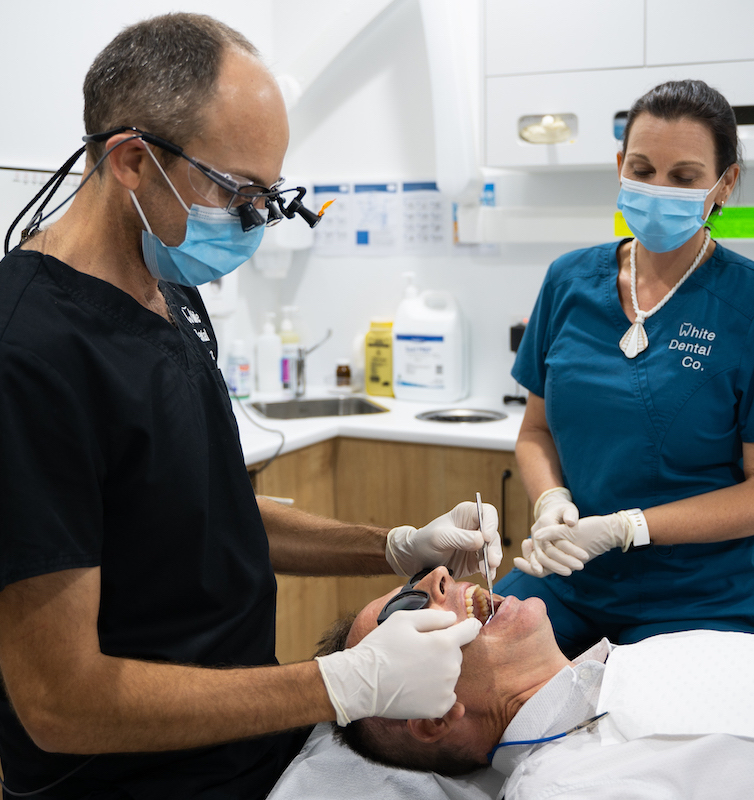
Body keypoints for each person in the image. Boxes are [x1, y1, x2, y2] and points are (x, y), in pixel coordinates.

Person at [0, 14, 501, 797]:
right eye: (238, 191)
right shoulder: (29, 354)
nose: (253, 222)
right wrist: (340, 685)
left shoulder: (168, 290)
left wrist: (397, 546)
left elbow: (210, 514)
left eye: (268, 196)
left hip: (246, 759)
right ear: (133, 160)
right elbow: (58, 702)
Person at [494, 78, 754, 657]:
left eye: (684, 177)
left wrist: (628, 527)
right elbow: (535, 432)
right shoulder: (568, 281)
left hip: (704, 597)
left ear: (724, 184)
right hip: (570, 582)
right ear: (619, 166)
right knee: (459, 691)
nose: (658, 190)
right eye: (641, 169)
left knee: (641, 737)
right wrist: (550, 504)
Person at [316, 568, 754, 799]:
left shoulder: (642, 656)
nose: (439, 575)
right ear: (435, 714)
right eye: (408, 611)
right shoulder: (566, 787)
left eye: (417, 581)